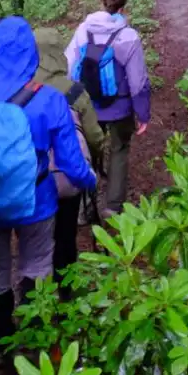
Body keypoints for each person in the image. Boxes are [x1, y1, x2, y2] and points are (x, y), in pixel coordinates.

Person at [0, 17, 98, 359]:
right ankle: (35, 338)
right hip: (37, 200)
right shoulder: (49, 100)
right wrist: (90, 181)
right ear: (31, 53)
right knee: (37, 265)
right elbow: (71, 163)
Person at [65, 0, 151, 217]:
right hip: (120, 107)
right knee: (119, 149)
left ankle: (85, 207)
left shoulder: (83, 31)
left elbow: (70, 68)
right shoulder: (128, 36)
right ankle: (113, 206)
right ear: (124, 8)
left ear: (101, 3)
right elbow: (138, 81)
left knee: (90, 152)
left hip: (88, 105)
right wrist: (142, 114)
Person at [32, 24, 106, 267]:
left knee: (35, 240)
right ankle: (66, 291)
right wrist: (95, 161)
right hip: (67, 173)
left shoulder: (21, 90)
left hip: (31, 176)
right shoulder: (73, 91)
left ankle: (36, 294)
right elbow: (95, 136)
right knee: (65, 235)